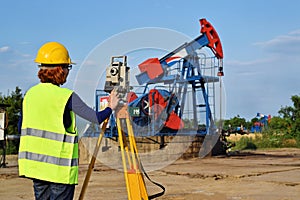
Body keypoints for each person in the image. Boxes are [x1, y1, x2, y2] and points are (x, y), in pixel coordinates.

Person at [18, 41, 120, 200]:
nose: (67, 71)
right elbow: (95, 118)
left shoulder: (30, 95)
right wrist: (111, 107)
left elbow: (21, 127)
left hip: (35, 168)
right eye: (67, 67)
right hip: (59, 171)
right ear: (60, 70)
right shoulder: (66, 97)